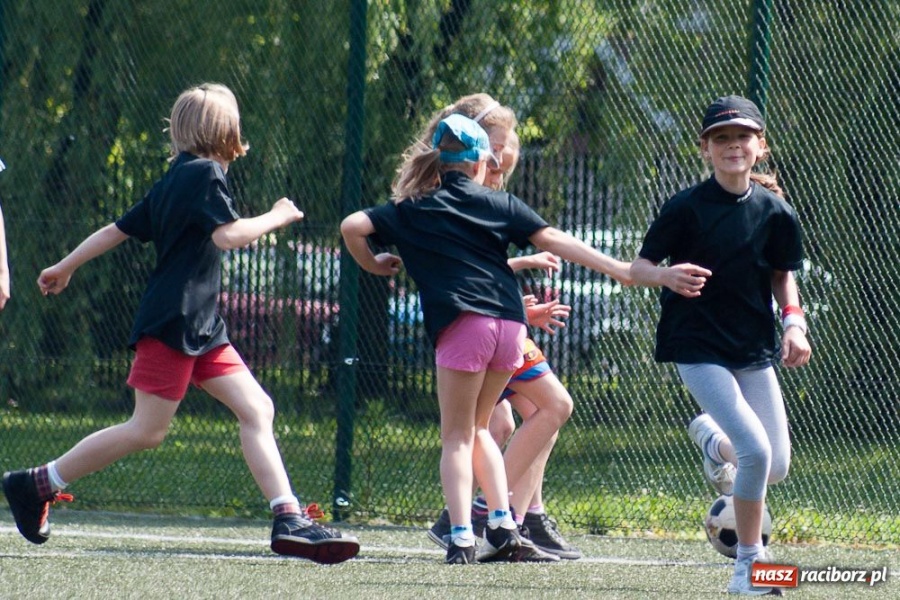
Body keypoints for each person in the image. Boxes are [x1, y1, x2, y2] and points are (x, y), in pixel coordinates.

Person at [1, 83, 360, 565]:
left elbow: (117, 229)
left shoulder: (175, 178)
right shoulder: (206, 173)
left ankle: (287, 517)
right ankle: (35, 484)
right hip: (175, 323)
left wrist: (66, 265)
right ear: (227, 132)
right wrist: (276, 216)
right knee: (146, 431)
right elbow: (229, 236)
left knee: (257, 408)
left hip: (202, 327)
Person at [341, 112, 631, 564]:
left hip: (465, 326)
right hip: (512, 325)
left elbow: (351, 227)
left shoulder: (412, 209)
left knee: (457, 436)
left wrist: (374, 263)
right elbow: (555, 238)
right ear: (481, 163)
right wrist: (621, 271)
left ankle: (460, 535)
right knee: (482, 430)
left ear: (435, 161)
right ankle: (501, 522)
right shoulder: (500, 203)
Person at [629, 95, 811, 595]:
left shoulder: (775, 212)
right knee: (754, 451)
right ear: (705, 148)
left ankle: (711, 439)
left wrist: (794, 324)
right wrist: (665, 275)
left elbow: (783, 276)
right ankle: (748, 568)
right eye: (722, 139)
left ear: (760, 147)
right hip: (697, 346)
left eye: (743, 137)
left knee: (775, 465)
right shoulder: (685, 208)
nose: (733, 146)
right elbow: (636, 270)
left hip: (752, 349)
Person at [427, 122, 583, 560]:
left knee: (516, 421)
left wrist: (521, 305)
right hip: (481, 327)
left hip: (500, 325)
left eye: (505, 167)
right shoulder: (446, 200)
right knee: (536, 412)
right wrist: (627, 271)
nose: (497, 172)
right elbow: (461, 264)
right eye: (494, 159)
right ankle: (485, 516)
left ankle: (517, 515)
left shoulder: (488, 197)